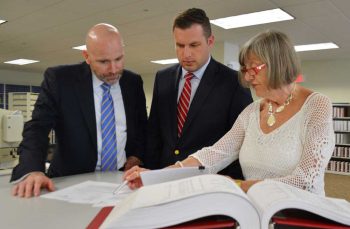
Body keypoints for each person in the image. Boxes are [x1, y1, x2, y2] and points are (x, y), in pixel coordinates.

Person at [125, 30, 335, 196]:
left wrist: (240, 186)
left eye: (254, 68)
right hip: (256, 210)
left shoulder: (316, 106)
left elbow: (307, 179)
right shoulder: (252, 112)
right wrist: (158, 176)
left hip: (300, 214)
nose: (248, 77)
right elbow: (214, 154)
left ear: (278, 63)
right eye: (245, 70)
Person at [11, 23, 147, 198]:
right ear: (87, 56)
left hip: (121, 181)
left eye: (119, 59)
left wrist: (137, 155)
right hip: (71, 182)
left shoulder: (132, 82)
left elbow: (142, 127)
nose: (113, 69)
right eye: (104, 61)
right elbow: (37, 127)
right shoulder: (60, 80)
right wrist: (32, 170)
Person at [144, 8, 253, 178]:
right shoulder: (162, 78)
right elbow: (154, 134)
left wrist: (230, 183)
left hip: (210, 181)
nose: (186, 53)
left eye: (194, 45)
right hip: (164, 177)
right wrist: (150, 176)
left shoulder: (234, 82)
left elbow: (242, 142)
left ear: (210, 41)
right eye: (180, 45)